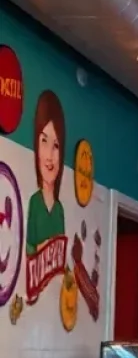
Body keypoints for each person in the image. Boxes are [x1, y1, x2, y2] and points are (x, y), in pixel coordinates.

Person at [25, 91, 66, 256]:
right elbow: (28, 248)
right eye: (44, 141)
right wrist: (41, 248)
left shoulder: (59, 210)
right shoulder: (35, 202)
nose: (49, 156)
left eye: (56, 146)